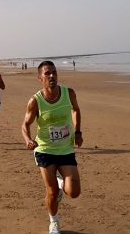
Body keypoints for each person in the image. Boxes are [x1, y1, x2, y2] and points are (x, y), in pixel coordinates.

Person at [21, 60, 83, 234]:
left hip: (65, 149)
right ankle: (54, 222)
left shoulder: (68, 93)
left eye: (54, 72)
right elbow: (25, 124)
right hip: (45, 150)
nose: (52, 76)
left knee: (74, 192)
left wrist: (78, 132)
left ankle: (61, 182)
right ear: (40, 78)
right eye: (47, 73)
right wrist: (27, 139)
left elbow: (76, 110)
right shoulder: (35, 101)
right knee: (52, 192)